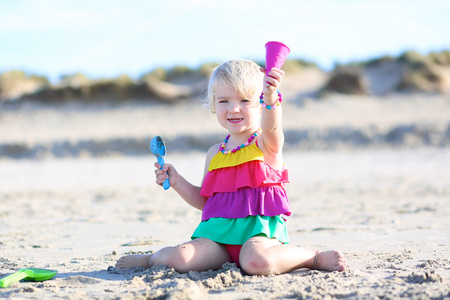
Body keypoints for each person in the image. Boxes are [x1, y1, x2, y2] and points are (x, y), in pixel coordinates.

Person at [115, 59, 346, 275]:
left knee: (256, 262)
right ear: (214, 104)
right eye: (224, 101)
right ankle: (150, 258)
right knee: (180, 259)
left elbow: (273, 127)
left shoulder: (266, 143)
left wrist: (271, 97)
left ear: (260, 105)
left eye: (245, 100)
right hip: (217, 240)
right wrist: (176, 181)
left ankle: (312, 257)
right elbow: (207, 202)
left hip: (259, 237)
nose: (234, 109)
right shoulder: (215, 153)